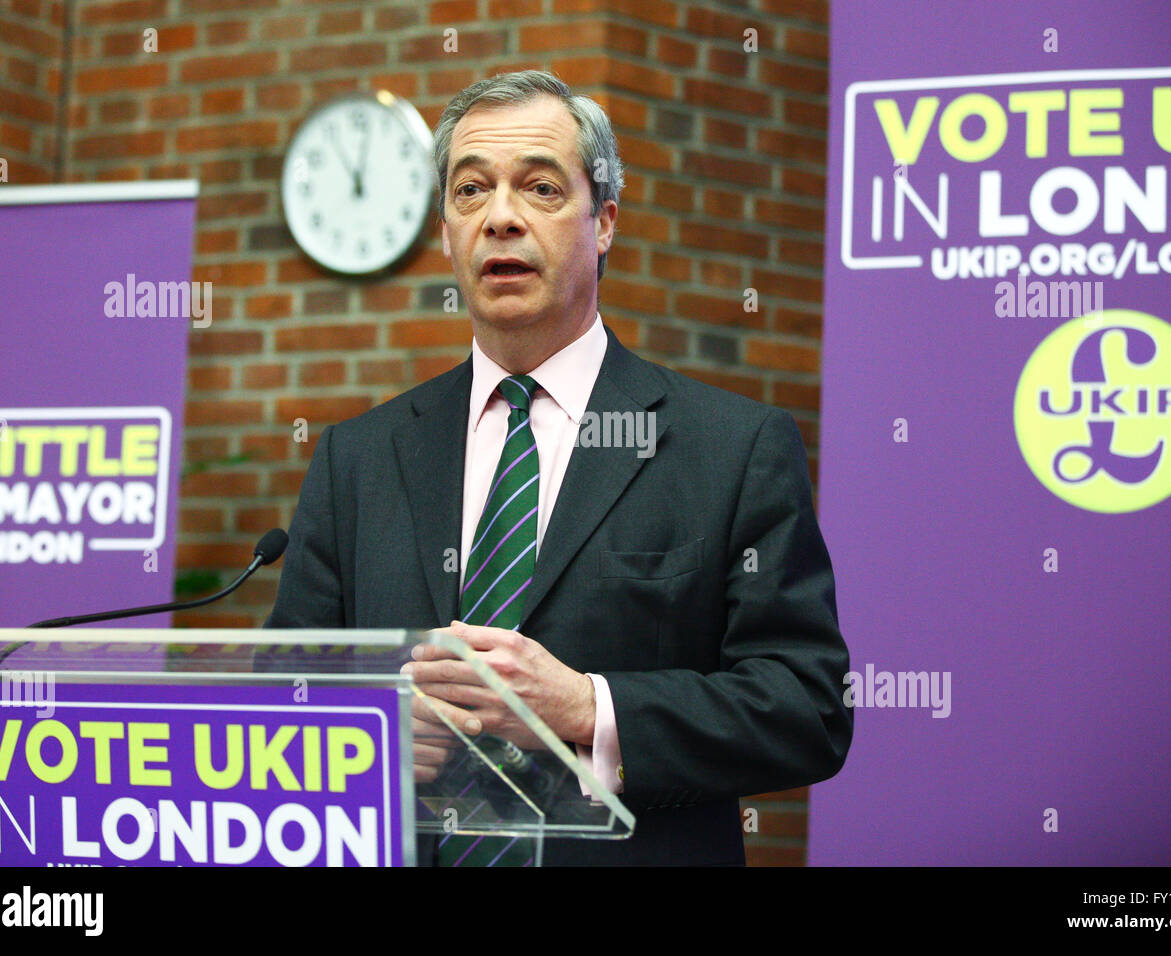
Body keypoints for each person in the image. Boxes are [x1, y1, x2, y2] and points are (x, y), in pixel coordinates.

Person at [264, 69, 852, 865]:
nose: (499, 218)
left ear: (604, 222)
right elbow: (279, 695)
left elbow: (805, 708)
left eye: (539, 188)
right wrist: (360, 732)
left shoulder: (731, 448)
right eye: (471, 191)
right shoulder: (358, 458)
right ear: (445, 230)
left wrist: (587, 706)